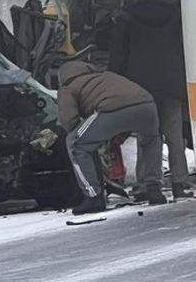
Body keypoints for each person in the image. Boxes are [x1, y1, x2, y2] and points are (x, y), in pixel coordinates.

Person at [109, 0, 193, 200]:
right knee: (175, 137)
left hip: (141, 88)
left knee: (147, 136)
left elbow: (119, 54)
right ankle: (179, 183)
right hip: (172, 83)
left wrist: (116, 82)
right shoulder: (176, 15)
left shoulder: (126, 17)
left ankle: (146, 184)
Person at [57, 61, 167, 215]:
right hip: (147, 105)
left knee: (75, 143)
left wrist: (83, 133)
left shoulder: (68, 87)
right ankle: (154, 188)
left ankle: (93, 197)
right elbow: (126, 100)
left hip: (110, 110)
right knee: (151, 140)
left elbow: (68, 119)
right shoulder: (107, 76)